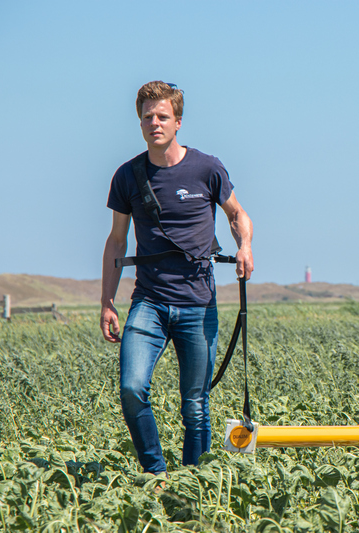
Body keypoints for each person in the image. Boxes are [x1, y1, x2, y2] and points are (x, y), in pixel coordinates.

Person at [100, 81, 254, 475]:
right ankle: (156, 475)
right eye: (147, 116)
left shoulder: (207, 168)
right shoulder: (127, 176)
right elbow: (117, 242)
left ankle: (194, 481)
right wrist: (107, 302)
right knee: (132, 389)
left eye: (162, 116)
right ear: (140, 122)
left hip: (197, 303)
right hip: (148, 301)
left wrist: (245, 247)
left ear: (178, 122)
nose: (155, 122)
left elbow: (237, 214)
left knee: (195, 405)